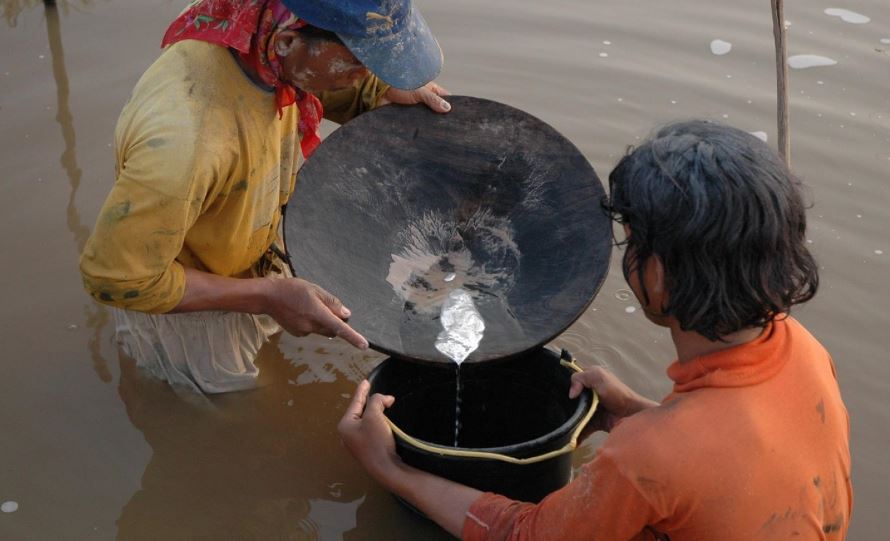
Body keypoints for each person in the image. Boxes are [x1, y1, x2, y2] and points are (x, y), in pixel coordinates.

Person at [339, 120, 853, 540]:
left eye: (632, 243)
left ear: (662, 274)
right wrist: (636, 413)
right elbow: (736, 465)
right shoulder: (803, 351)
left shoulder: (650, 457)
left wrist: (392, 470)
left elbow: (523, 535)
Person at [79, 0, 451, 393]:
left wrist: (383, 92)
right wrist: (264, 296)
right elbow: (118, 279)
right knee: (221, 414)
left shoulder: (257, 28)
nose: (367, 75)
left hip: (248, 241)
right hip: (189, 301)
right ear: (288, 41)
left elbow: (316, 76)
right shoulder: (184, 144)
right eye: (359, 63)